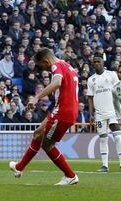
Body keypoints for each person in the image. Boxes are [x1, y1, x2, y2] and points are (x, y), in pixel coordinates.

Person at [9, 47, 79, 185]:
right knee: (38, 134)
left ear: (46, 61)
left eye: (42, 66)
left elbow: (57, 82)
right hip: (64, 109)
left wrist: (36, 98)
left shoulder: (56, 66)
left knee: (47, 145)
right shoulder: (66, 65)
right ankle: (19, 167)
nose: (43, 69)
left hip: (63, 112)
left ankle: (70, 176)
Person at [87, 55, 121, 172]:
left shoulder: (112, 75)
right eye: (94, 62)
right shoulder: (91, 80)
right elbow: (90, 98)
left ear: (103, 63)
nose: (96, 63)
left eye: (98, 61)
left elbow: (119, 92)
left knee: (117, 136)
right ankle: (105, 165)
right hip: (100, 113)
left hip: (113, 112)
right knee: (103, 138)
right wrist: (91, 114)